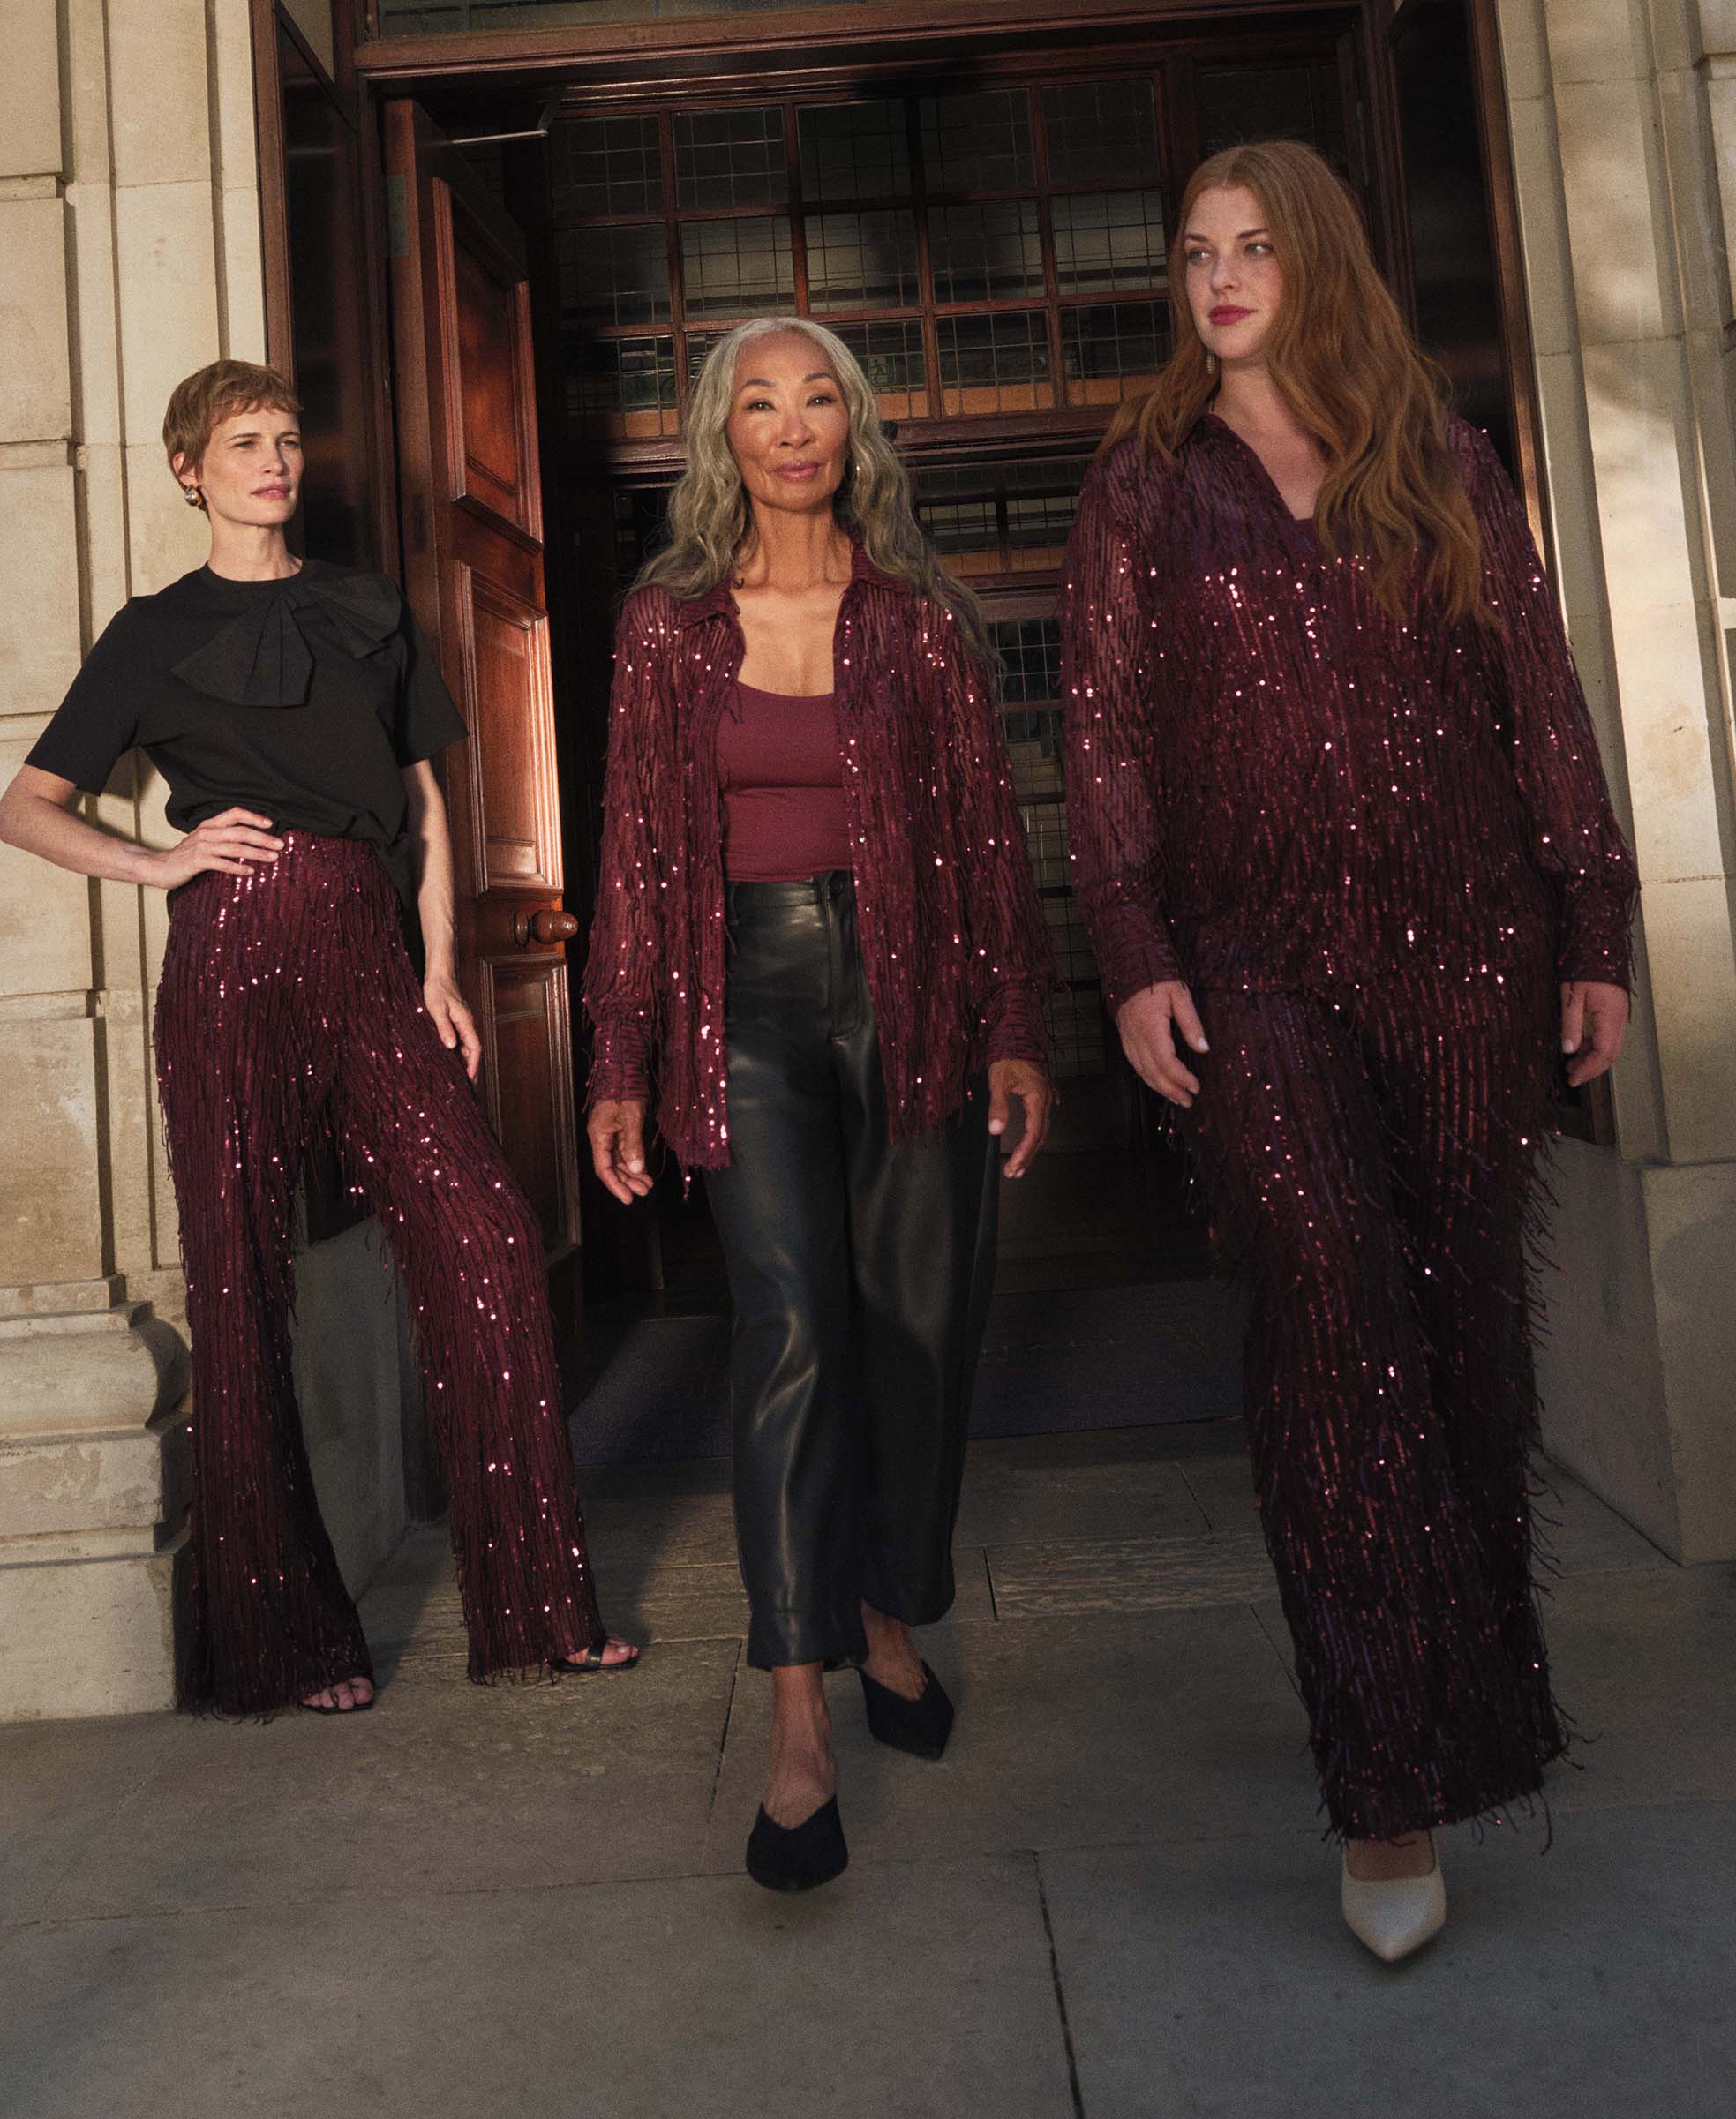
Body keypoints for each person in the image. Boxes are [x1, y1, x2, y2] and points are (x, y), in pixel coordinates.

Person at [1060, 142, 1638, 1961]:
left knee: (1461, 1331)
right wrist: (1136, 949)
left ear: (1315, 265)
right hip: (1251, 970)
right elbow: (1102, 746)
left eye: (1252, 247)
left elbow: (1537, 706)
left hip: (1471, 955)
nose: (1219, 277)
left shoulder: (1444, 466)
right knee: (1331, 1317)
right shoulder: (1143, 484)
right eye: (1193, 250)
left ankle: (1469, 1709)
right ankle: (1386, 1786)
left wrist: (1592, 924)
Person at [0, 359, 636, 1717]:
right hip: (227, 961)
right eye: (244, 442)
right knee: (239, 1293)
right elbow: (26, 807)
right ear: (191, 469)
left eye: (287, 439)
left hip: (363, 946)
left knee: (490, 1244)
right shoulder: (153, 633)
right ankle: (289, 1646)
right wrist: (160, 866)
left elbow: (422, 795)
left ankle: (543, 1610)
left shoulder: (363, 609)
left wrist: (444, 966)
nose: (274, 460)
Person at [583, 317, 1054, 1890]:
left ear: (855, 426)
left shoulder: (919, 618)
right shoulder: (665, 628)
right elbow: (639, 866)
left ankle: (876, 1603)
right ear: (723, 434)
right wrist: (619, 1060)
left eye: (820, 401)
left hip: (912, 986)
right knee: (788, 1331)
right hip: (743, 1002)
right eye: (760, 404)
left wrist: (1011, 1025)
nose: (793, 428)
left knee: (916, 1327)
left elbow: (989, 834)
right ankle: (798, 1721)